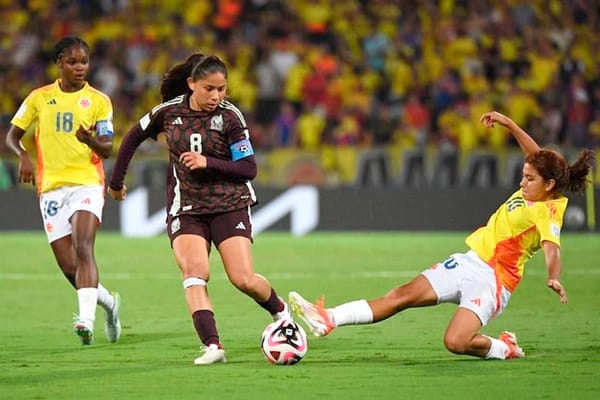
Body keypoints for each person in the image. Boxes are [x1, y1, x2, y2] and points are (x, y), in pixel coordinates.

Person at [290, 110, 595, 360]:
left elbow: (551, 246)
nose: (522, 181)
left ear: (549, 185)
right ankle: (328, 317)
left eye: (529, 179)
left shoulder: (548, 211)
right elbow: (534, 153)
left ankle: (504, 348)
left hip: (494, 281)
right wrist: (509, 123)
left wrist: (554, 276)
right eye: (523, 175)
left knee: (455, 342)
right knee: (401, 295)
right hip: (469, 261)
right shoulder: (538, 183)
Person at [107, 53, 291, 365]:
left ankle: (281, 313)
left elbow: (248, 168)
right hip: (187, 207)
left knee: (243, 278)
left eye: (222, 89)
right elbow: (132, 138)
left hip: (229, 205)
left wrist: (208, 162)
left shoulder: (231, 118)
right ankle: (212, 346)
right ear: (192, 84)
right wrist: (116, 182)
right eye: (209, 89)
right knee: (195, 273)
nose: (216, 96)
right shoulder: (168, 112)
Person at [4, 36, 122, 346]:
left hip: (86, 182)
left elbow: (108, 149)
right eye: (72, 61)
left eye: (84, 61)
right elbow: (12, 136)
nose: (80, 67)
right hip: (51, 188)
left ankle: (86, 321)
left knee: (84, 248)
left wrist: (90, 141)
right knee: (69, 267)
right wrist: (23, 156)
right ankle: (109, 304)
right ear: (59, 63)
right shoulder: (39, 98)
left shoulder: (99, 101)